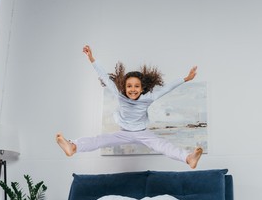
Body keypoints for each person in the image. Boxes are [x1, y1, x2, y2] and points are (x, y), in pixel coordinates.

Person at [56, 45, 203, 169]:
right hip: (124, 132)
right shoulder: (119, 94)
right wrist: (92, 60)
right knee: (100, 140)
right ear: (124, 87)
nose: (133, 89)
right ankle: (73, 146)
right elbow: (106, 79)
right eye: (129, 86)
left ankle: (189, 158)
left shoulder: (148, 98)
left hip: (142, 133)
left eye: (136, 86)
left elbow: (167, 88)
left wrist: (185, 78)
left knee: (162, 145)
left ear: (142, 87)